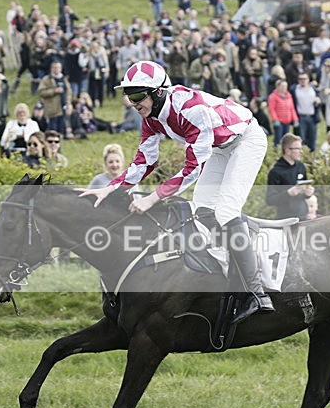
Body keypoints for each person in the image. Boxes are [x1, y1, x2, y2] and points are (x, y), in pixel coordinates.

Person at [76, 61, 274, 324]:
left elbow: (192, 170)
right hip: (220, 147)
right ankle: (230, 272)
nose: (132, 103)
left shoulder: (191, 110)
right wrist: (110, 189)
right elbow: (144, 162)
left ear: (158, 92)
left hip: (247, 140)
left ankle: (257, 294)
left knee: (226, 212)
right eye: (128, 96)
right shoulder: (151, 117)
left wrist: (151, 198)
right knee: (202, 210)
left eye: (137, 95)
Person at [266, 133, 314, 220]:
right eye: (298, 149)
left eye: (301, 148)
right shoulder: (275, 172)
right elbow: (270, 200)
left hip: (303, 217)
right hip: (286, 219)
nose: (301, 151)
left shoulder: (301, 166)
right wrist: (288, 193)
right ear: (287, 151)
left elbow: (303, 192)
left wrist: (308, 193)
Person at [38, 60, 72, 136]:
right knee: (52, 127)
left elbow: (69, 91)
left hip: (63, 106)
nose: (56, 69)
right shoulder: (46, 79)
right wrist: (54, 91)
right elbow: (41, 92)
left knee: (62, 126)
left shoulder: (63, 79)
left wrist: (69, 103)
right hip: (52, 108)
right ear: (51, 69)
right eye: (55, 67)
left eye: (58, 67)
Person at [267, 79, 298, 147]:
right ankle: (276, 152)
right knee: (278, 139)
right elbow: (271, 109)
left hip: (287, 121)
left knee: (286, 139)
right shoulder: (273, 96)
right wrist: (275, 119)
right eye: (282, 86)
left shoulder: (289, 96)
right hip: (279, 122)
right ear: (278, 87)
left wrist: (295, 119)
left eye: (285, 86)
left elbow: (292, 109)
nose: (284, 88)